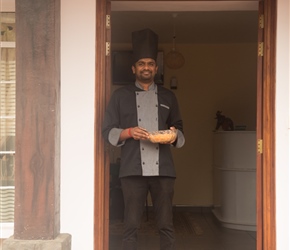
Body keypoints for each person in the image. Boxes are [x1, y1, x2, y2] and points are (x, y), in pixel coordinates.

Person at [102, 28, 185, 250]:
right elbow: (107, 131)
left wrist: (172, 136)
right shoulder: (120, 96)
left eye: (150, 63)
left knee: (166, 224)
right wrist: (128, 132)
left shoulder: (169, 96)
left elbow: (180, 131)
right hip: (131, 170)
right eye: (141, 64)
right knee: (131, 225)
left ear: (156, 68)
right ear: (133, 68)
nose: (146, 67)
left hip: (164, 171)